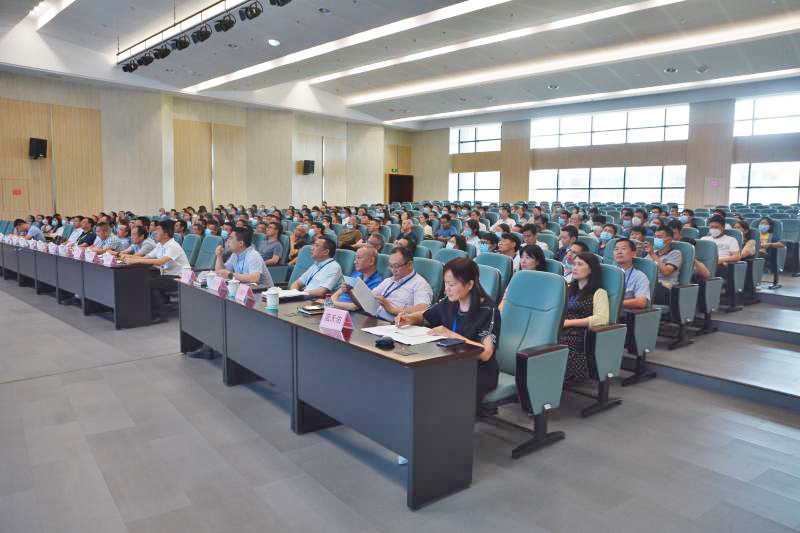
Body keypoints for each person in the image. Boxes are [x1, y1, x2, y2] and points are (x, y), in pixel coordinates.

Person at [395, 257, 499, 412]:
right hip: (450, 363)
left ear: (470, 284)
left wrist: (451, 335)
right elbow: (425, 316)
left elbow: (485, 354)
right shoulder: (449, 301)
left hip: (477, 371)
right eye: (445, 283)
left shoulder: (488, 310)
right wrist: (408, 318)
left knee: (433, 389)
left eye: (452, 284)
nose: (446, 289)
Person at [123, 220, 191, 323]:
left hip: (180, 278)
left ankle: (160, 314)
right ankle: (152, 308)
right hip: (167, 274)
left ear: (166, 234)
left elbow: (160, 262)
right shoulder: (160, 245)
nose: (155, 233)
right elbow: (146, 258)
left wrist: (135, 260)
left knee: (149, 283)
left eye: (158, 231)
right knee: (142, 278)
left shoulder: (173, 246)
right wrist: (125, 257)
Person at [558, 252, 609, 382]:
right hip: (562, 329)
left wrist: (570, 323)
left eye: (580, 264)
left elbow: (601, 318)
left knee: (554, 347)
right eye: (574, 264)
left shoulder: (599, 292)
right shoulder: (569, 289)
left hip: (580, 336)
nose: (575, 268)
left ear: (591, 269)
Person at [371, 246, 433, 322]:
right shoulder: (388, 280)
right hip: (375, 318)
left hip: (395, 324)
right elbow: (372, 295)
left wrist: (393, 309)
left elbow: (423, 309)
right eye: (391, 266)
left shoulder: (420, 284)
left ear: (409, 264)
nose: (393, 270)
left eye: (396, 266)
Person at [328, 246, 384, 311]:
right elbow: (338, 293)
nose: (355, 262)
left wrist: (332, 303)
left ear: (371, 261)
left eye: (359, 258)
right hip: (336, 307)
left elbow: (356, 306)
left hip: (352, 313)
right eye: (355, 258)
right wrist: (331, 303)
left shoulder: (377, 282)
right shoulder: (356, 274)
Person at [498, 244, 545, 311]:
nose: (523, 261)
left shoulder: (544, 281)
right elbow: (504, 300)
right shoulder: (517, 277)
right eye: (522, 257)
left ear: (537, 261)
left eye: (528, 258)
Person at [645, 226, 682, 302]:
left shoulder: (675, 253)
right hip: (650, 284)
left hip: (665, 288)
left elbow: (666, 272)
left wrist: (653, 254)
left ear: (669, 239)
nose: (656, 239)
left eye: (659, 237)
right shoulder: (653, 253)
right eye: (655, 237)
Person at [614, 238, 651, 312]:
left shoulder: (640, 276)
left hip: (622, 314)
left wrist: (614, 303)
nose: (619, 252)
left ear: (633, 254)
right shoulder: (609, 273)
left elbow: (641, 302)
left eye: (623, 249)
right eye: (616, 249)